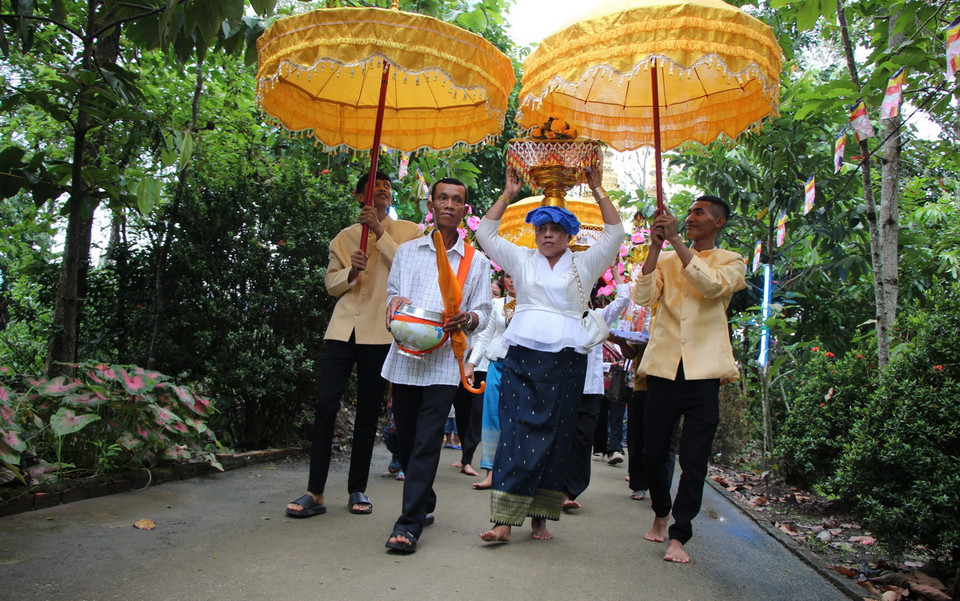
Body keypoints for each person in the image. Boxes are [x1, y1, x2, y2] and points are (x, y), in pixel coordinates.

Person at [475, 166, 624, 542]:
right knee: (515, 433)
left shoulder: (584, 263)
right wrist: (508, 192)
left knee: (557, 435)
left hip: (567, 360)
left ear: (569, 234)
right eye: (541, 228)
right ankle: (504, 520)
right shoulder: (522, 259)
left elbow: (616, 233)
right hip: (522, 356)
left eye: (555, 229)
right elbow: (484, 233)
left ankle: (541, 516)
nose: (547, 235)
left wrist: (597, 188)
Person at [285, 171, 422, 519]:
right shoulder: (343, 239)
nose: (383, 192)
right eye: (375, 188)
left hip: (379, 331)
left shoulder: (407, 232)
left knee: (367, 412)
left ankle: (356, 487)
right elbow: (331, 283)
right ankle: (314, 491)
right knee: (325, 405)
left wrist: (379, 231)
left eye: (387, 188)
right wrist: (350, 273)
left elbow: (412, 271)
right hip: (343, 328)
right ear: (359, 196)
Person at [632, 196, 746, 563]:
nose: (692, 217)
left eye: (700, 213)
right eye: (691, 212)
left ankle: (680, 535)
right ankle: (661, 512)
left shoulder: (732, 261)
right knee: (651, 451)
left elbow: (712, 287)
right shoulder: (665, 258)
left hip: (704, 374)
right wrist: (655, 247)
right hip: (664, 369)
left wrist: (677, 243)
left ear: (719, 223)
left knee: (694, 458)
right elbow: (642, 296)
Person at [381, 177, 492, 554]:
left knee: (427, 440)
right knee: (407, 439)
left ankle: (408, 523)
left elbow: (485, 310)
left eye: (456, 200)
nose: (448, 204)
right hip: (406, 355)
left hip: (446, 361)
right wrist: (394, 305)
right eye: (442, 197)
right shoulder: (408, 251)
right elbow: (393, 292)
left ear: (465, 210)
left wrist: (469, 319)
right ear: (432, 204)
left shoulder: (475, 262)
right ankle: (423, 499)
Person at [562, 270, 632, 510]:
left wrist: (615, 268)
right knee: (562, 439)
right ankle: (555, 487)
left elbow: (623, 300)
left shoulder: (598, 317)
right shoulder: (561, 316)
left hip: (591, 391)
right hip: (562, 388)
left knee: (583, 440)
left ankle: (571, 491)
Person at [464, 273, 514, 490]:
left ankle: (512, 474)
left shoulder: (534, 303)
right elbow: (486, 336)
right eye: (509, 276)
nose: (513, 281)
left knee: (517, 420)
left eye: (517, 275)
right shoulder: (499, 304)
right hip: (497, 365)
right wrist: (471, 364)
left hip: (524, 369)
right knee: (492, 416)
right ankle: (490, 472)